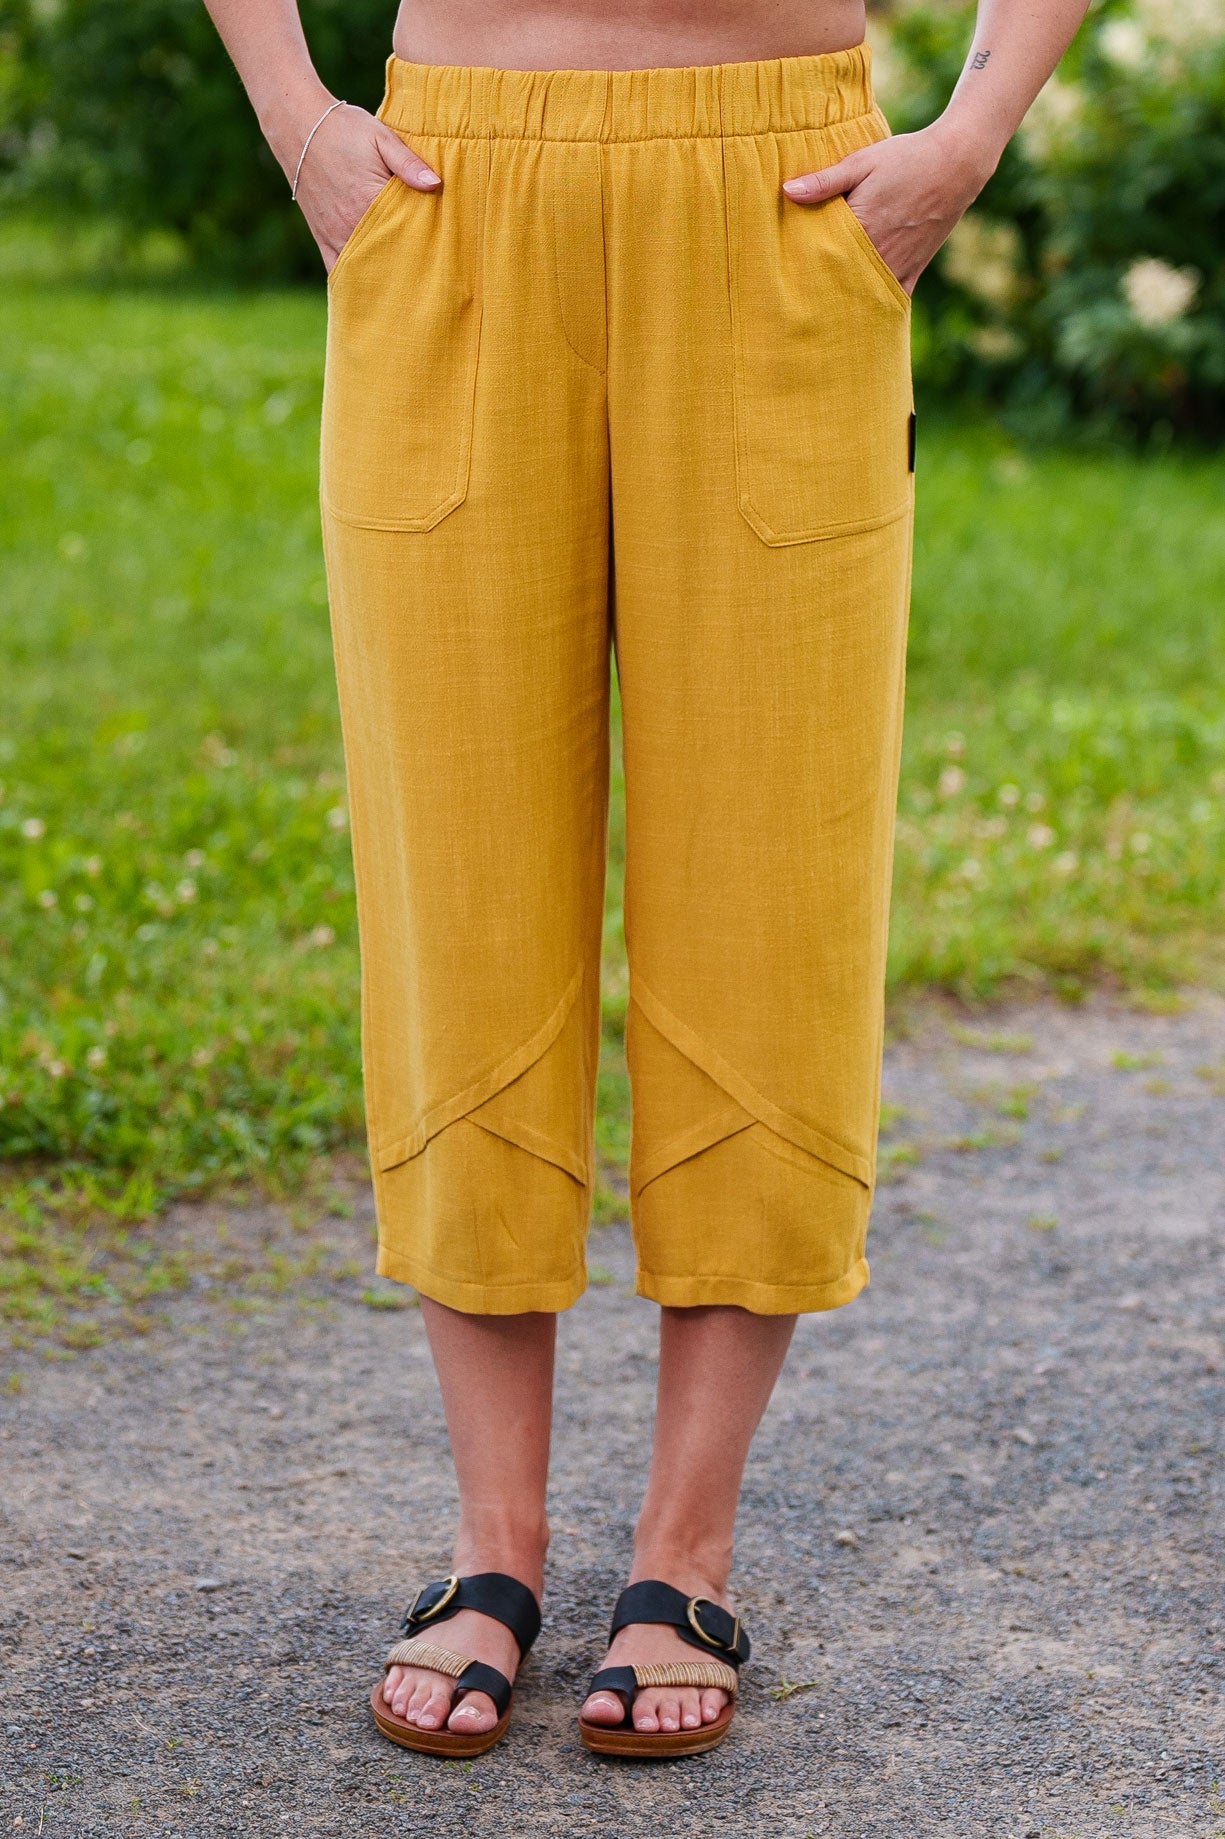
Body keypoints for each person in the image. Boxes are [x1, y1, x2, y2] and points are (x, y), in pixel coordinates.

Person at [203, 0, 1090, 1760]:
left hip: (779, 205)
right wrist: (294, 113)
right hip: (455, 190)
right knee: (459, 885)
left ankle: (684, 1557)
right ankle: (493, 1550)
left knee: (773, 885)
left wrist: (969, 133)